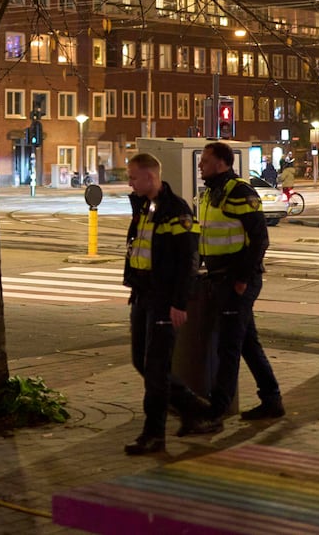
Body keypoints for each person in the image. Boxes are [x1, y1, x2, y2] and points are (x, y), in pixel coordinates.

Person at [181, 142, 284, 436]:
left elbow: (259, 240)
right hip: (220, 278)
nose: (200, 166)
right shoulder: (211, 193)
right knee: (247, 342)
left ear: (222, 163)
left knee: (228, 346)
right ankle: (272, 399)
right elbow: (206, 235)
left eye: (205, 161)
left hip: (236, 281)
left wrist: (241, 279)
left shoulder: (239, 192)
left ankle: (216, 412)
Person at [121, 151, 205, 455]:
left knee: (155, 369)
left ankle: (154, 434)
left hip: (163, 298)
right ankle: (194, 410)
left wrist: (179, 303)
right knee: (141, 362)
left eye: (133, 177)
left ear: (150, 177)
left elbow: (188, 261)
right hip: (143, 295)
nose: (129, 183)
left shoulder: (175, 210)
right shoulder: (145, 206)